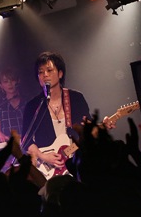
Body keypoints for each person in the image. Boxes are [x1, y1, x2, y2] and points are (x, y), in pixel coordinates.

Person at [20, 51, 113, 180]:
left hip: (77, 163)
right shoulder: (33, 106)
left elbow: (87, 128)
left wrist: (102, 127)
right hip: (48, 169)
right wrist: (43, 156)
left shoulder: (76, 98)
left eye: (49, 70)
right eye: (40, 72)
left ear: (60, 73)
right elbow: (26, 141)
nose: (45, 75)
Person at [0, 67, 26, 143]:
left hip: (29, 143)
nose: (10, 84)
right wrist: (2, 136)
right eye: (5, 81)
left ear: (18, 81)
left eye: (12, 80)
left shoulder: (27, 102)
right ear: (0, 85)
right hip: (9, 144)